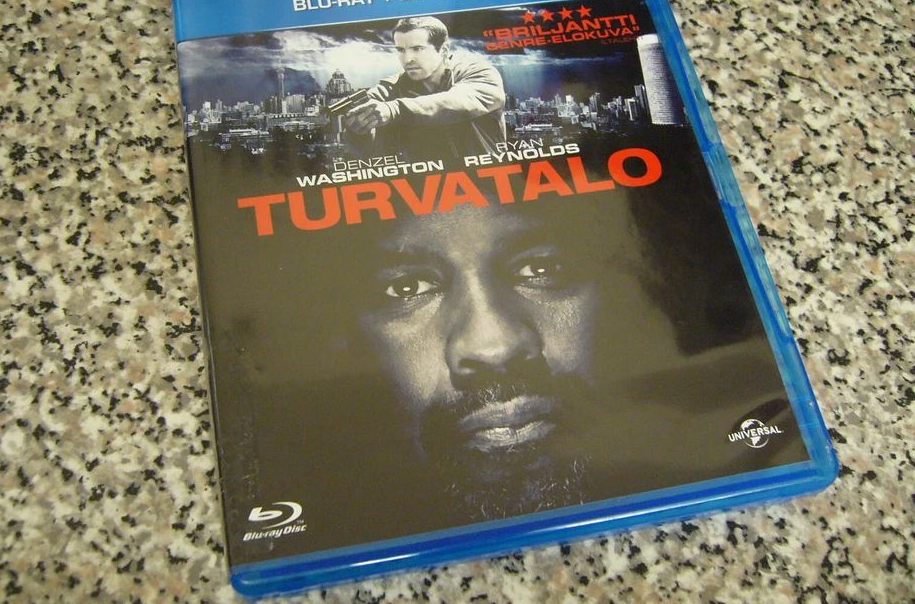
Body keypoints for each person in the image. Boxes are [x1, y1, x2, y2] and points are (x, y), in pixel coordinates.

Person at [336, 139, 808, 524]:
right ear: (343, 340)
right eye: (407, 288)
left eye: (540, 268)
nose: (494, 347)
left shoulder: (745, 431)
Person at [342, 16, 506, 162]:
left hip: (488, 178)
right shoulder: (390, 90)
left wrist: (394, 110)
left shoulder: (479, 73)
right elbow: (367, 154)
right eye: (401, 50)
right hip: (429, 184)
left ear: (444, 49)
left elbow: (459, 103)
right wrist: (359, 131)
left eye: (417, 49)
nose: (408, 59)